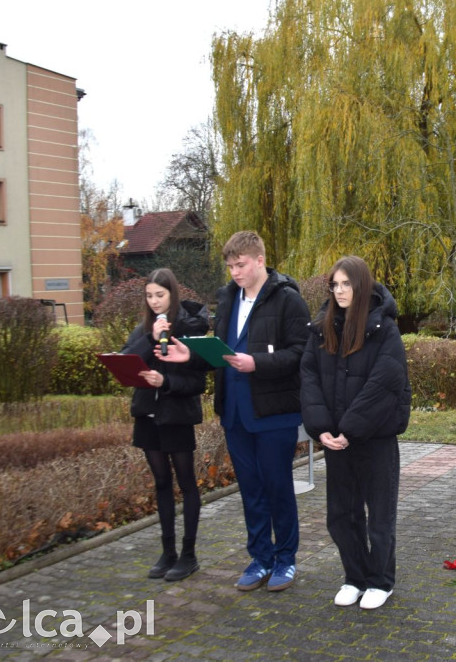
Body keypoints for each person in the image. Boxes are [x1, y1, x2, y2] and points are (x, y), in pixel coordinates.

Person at [161, 231, 310, 592]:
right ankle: (260, 558)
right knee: (251, 490)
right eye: (230, 266)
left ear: (260, 260)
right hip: (235, 413)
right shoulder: (227, 298)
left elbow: (301, 354)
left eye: (240, 265)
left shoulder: (288, 300)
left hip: (273, 413)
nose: (235, 272)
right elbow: (221, 352)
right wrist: (190, 355)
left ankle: (285, 559)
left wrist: (258, 363)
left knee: (277, 487)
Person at [300, 255, 411, 610]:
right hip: (336, 441)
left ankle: (380, 581)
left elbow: (385, 383)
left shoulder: (385, 329)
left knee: (379, 516)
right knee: (341, 516)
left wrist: (350, 428)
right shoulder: (322, 328)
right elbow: (309, 377)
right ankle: (355, 577)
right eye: (335, 284)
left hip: (374, 439)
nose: (340, 290)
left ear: (361, 285)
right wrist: (322, 429)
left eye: (346, 283)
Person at [121, 268, 209, 581]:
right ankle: (167, 550)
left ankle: (188, 554)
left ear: (172, 294)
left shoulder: (188, 328)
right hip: (147, 414)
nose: (155, 301)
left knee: (186, 483)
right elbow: (127, 361)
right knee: (161, 482)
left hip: (177, 416)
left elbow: (198, 382)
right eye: (149, 296)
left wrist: (166, 381)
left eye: (160, 295)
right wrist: (150, 337)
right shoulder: (143, 330)